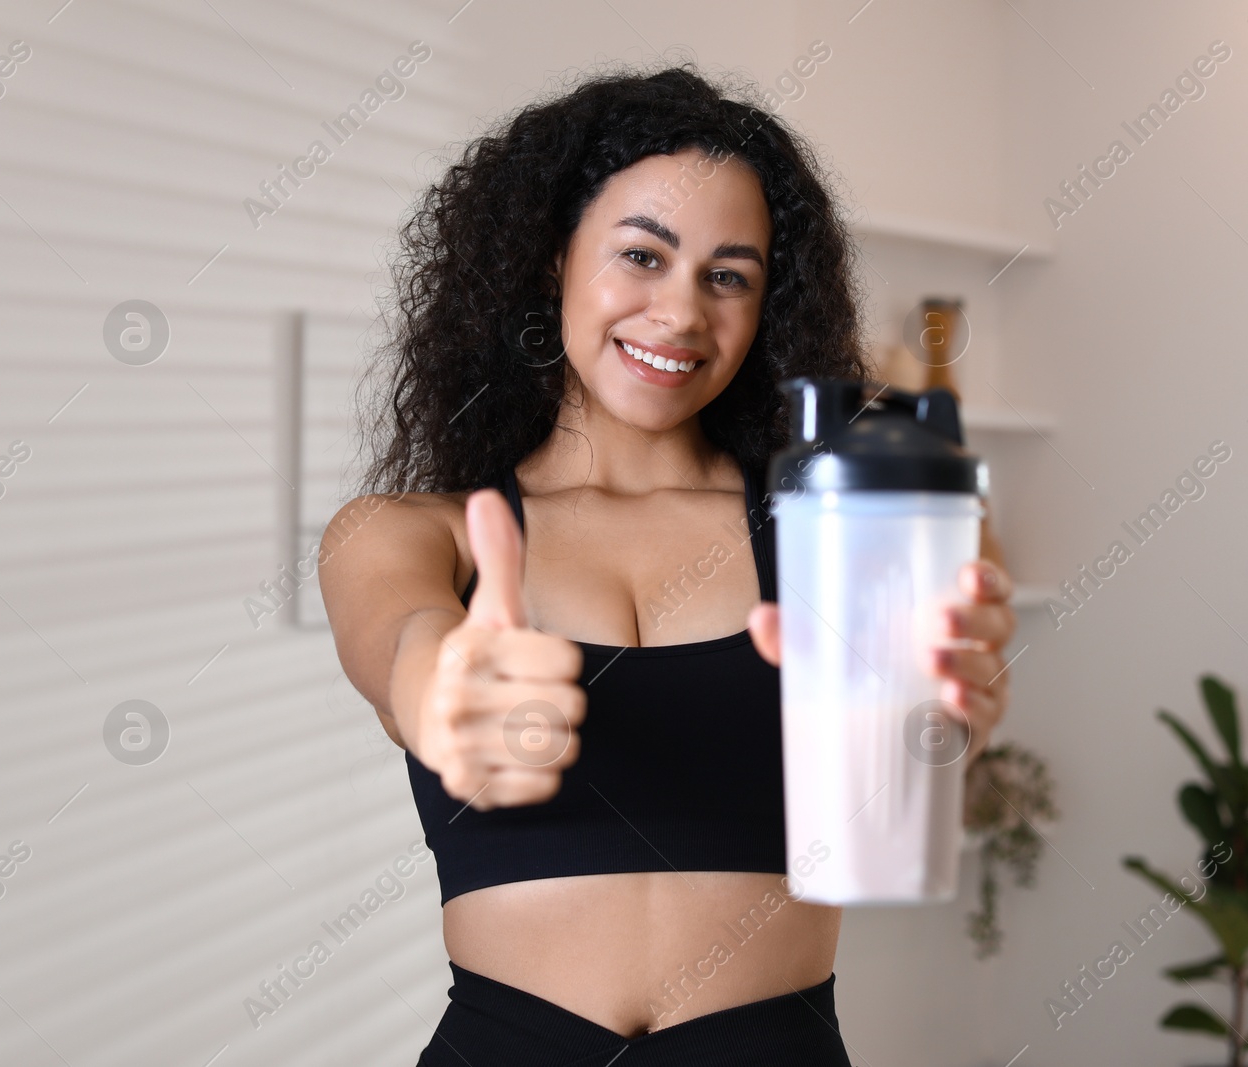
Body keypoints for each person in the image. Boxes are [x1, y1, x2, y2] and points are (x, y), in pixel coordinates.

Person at [320, 61, 1017, 1066]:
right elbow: (400, 642)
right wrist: (444, 690)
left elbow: (911, 766)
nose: (683, 312)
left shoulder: (837, 533)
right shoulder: (407, 529)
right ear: (550, 258)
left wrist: (944, 722)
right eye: (642, 255)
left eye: (727, 274)